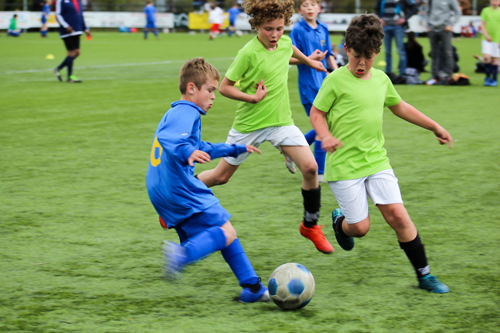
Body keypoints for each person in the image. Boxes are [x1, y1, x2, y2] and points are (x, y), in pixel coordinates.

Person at [310, 14, 452, 293]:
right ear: (346, 49)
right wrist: (325, 136)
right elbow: (317, 113)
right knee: (360, 228)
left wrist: (433, 126)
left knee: (399, 216)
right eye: (356, 56)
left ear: (376, 53)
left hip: (376, 160)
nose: (362, 64)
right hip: (345, 166)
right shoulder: (335, 80)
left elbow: (400, 106)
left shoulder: (382, 79)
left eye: (369, 57)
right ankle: (341, 223)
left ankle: (424, 275)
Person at [197, 0, 334, 255]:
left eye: (280, 28)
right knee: (220, 177)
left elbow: (287, 50)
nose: (275, 35)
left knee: (311, 167)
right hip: (249, 125)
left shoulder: (283, 42)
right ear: (256, 25)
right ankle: (178, 199)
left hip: (281, 122)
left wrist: (307, 61)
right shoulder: (247, 53)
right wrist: (252, 98)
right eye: (268, 29)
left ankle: (310, 225)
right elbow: (225, 87)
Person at [146, 58, 269, 303]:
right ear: (192, 88)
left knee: (223, 231)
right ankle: (182, 255)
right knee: (226, 231)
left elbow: (201, 147)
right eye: (210, 90)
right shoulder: (186, 112)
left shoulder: (177, 112)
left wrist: (234, 149)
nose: (214, 97)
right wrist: (186, 152)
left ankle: (252, 288)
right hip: (180, 188)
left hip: (162, 188)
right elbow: (173, 141)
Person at [289, 0, 337, 183]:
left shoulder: (323, 28)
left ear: (319, 8)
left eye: (313, 4)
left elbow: (329, 54)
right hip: (308, 86)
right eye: (305, 5)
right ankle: (320, 171)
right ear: (299, 10)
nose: (309, 8)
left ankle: (291, 149)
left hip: (324, 84)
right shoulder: (298, 30)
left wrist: (337, 71)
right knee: (321, 125)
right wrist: (309, 59)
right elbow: (288, 57)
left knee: (324, 124)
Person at [374, 0, 419, 78]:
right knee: (387, 52)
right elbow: (376, 8)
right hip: (385, 27)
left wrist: (405, 18)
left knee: (401, 52)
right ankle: (388, 74)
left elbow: (415, 8)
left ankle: (402, 74)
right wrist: (380, 18)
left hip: (398, 27)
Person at [54, 0, 91, 83]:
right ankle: (70, 77)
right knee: (71, 53)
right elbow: (58, 14)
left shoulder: (77, 1)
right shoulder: (61, 1)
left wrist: (85, 28)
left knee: (77, 52)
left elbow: (80, 15)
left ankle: (59, 68)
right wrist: (66, 26)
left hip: (77, 30)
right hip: (67, 31)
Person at [426, 0, 461, 84]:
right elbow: (427, 11)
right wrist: (428, 25)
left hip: (445, 29)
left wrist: (451, 24)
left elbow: (458, 12)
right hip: (433, 29)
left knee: (448, 53)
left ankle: (448, 75)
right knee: (434, 54)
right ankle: (434, 75)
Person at [479, 0, 500, 87]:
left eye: (497, 0)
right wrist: (486, 35)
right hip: (486, 38)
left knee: (494, 59)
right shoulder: (485, 10)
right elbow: (482, 24)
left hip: (497, 38)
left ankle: (494, 79)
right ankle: (487, 77)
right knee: (487, 57)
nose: (495, 2)